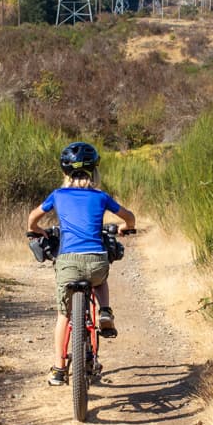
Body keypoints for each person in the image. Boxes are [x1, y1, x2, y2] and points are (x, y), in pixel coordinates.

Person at [25, 141, 136, 387]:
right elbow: (129, 217)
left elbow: (33, 218)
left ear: (65, 172)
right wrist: (124, 228)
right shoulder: (101, 196)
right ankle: (105, 311)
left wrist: (36, 230)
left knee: (63, 316)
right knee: (101, 278)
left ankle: (58, 369)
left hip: (68, 263)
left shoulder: (57, 195)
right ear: (94, 172)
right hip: (96, 260)